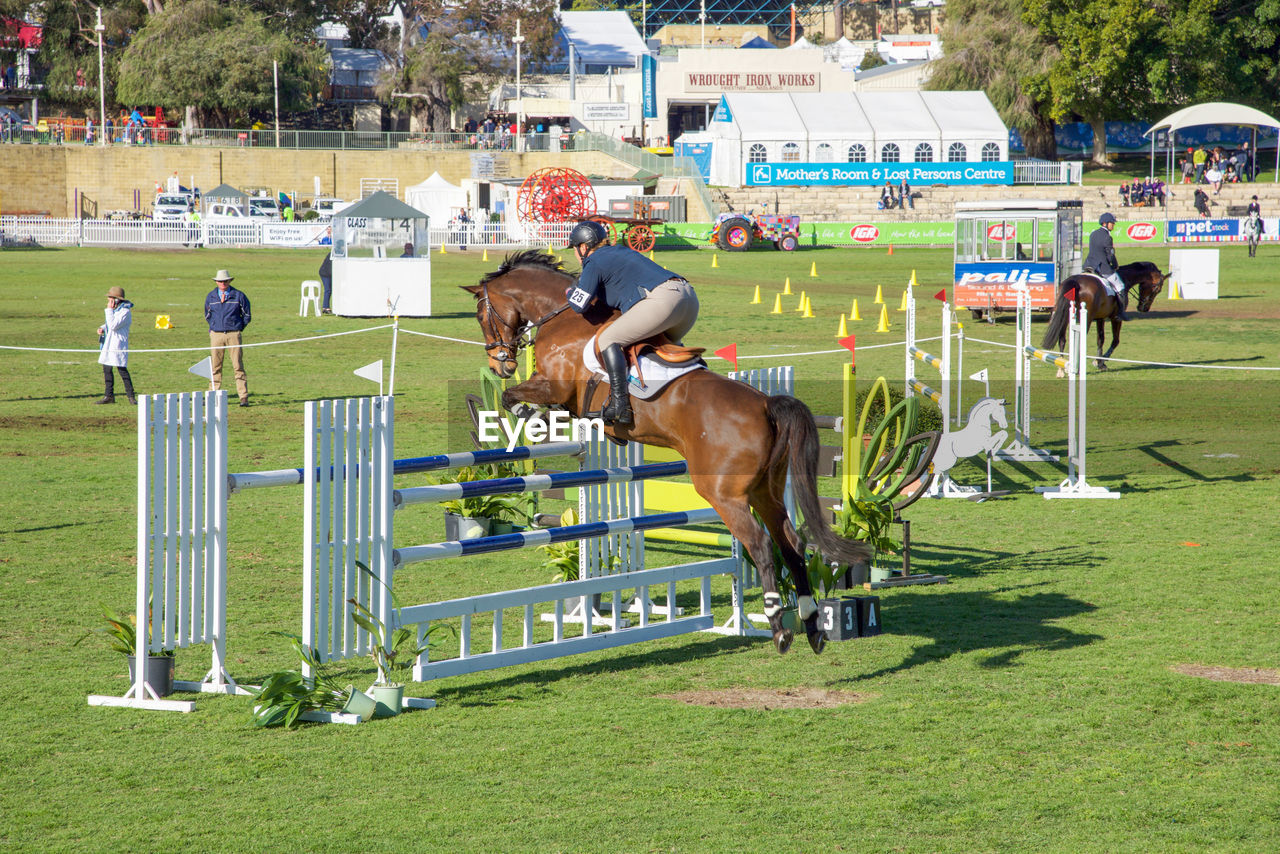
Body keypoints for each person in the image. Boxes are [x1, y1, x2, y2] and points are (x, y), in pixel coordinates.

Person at [565, 220, 699, 426]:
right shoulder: (619, 252)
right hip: (688, 299)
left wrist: (569, 292)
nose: (576, 253)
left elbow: (578, 304)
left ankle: (620, 406)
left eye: (575, 249)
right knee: (662, 352)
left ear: (583, 247)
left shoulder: (595, 260)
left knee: (609, 339)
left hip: (664, 301)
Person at [204, 269, 252, 407]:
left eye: (225, 281)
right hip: (216, 335)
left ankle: (243, 397)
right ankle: (212, 395)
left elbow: (247, 315)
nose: (223, 283)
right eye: (220, 281)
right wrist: (214, 327)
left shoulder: (239, 296)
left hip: (233, 334)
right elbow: (207, 314)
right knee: (215, 366)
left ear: (229, 281)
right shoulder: (211, 296)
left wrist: (238, 328)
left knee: (238, 366)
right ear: (216, 282)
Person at [95, 286, 136, 404]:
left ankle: (131, 396)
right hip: (109, 343)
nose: (108, 302)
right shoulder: (116, 310)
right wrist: (102, 328)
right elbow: (109, 324)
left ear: (117, 300)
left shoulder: (125, 312)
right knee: (107, 368)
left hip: (118, 344)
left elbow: (113, 324)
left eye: (110, 299)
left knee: (122, 369)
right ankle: (109, 396)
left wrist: (108, 310)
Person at [1084, 212, 1129, 320]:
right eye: (1112, 223)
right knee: (1120, 286)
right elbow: (1110, 255)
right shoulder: (1107, 237)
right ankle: (1120, 313)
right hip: (1102, 267)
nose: (1113, 225)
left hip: (1089, 265)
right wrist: (1115, 265)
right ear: (1105, 223)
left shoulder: (1093, 234)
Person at [318, 241, 333, 314]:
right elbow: (330, 269)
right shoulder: (332, 255)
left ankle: (326, 306)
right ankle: (325, 307)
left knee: (329, 290)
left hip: (328, 273)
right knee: (328, 289)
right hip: (325, 273)